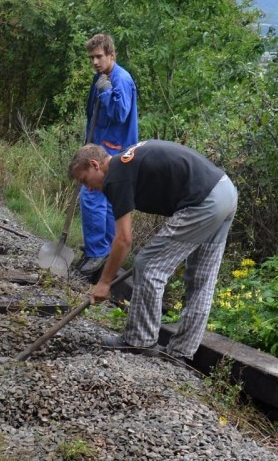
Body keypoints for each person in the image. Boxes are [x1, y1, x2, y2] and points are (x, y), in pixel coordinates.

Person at [68, 140, 238, 362]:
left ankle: (140, 340)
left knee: (148, 265)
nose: (88, 188)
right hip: (226, 192)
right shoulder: (126, 161)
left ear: (95, 165)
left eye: (85, 180)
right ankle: (181, 353)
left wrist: (105, 282)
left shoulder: (115, 176)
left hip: (203, 201)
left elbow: (123, 239)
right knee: (201, 280)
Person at [76, 33, 138, 282]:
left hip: (114, 148)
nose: (94, 62)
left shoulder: (120, 79)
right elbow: (93, 113)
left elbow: (120, 114)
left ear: (111, 55)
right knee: (102, 199)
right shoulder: (101, 77)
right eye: (91, 57)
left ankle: (98, 252)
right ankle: (100, 251)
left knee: (90, 195)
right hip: (100, 145)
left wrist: (106, 92)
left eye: (99, 57)